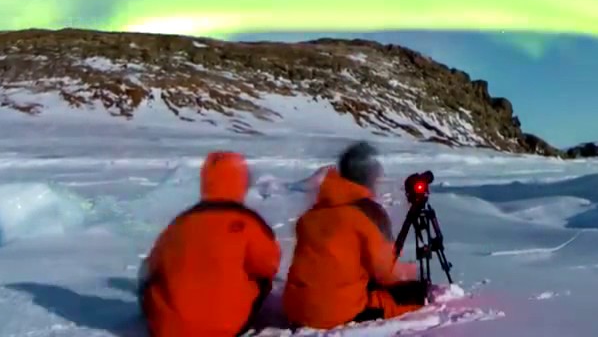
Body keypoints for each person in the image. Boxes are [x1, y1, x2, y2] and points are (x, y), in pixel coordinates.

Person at [283, 142, 427, 329]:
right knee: (415, 295)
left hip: (295, 310)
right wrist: (410, 272)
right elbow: (386, 272)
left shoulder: (312, 214)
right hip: (333, 312)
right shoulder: (366, 213)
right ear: (368, 177)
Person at [138, 151, 281, 337]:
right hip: (225, 327)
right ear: (242, 180)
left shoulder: (181, 222)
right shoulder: (249, 223)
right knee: (260, 278)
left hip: (169, 330)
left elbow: (154, 266)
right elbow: (268, 266)